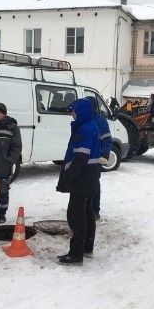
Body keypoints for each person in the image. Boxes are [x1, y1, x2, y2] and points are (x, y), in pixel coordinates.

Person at [56, 98, 101, 265]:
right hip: (89, 177)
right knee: (87, 214)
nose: (72, 114)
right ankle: (86, 248)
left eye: (73, 111)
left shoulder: (85, 129)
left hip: (82, 177)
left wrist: (69, 176)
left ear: (81, 112)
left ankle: (75, 255)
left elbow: (81, 157)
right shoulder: (90, 126)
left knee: (76, 216)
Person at [0, 103, 22, 224]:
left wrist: (10, 161)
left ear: (4, 114)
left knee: (3, 191)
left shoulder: (12, 127)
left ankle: (1, 214)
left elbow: (17, 147)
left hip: (4, 166)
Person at [85, 96, 112, 220]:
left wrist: (104, 155)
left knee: (94, 185)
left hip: (95, 159)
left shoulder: (100, 120)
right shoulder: (83, 119)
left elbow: (107, 139)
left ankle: (95, 210)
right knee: (83, 184)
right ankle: (84, 208)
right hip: (83, 158)